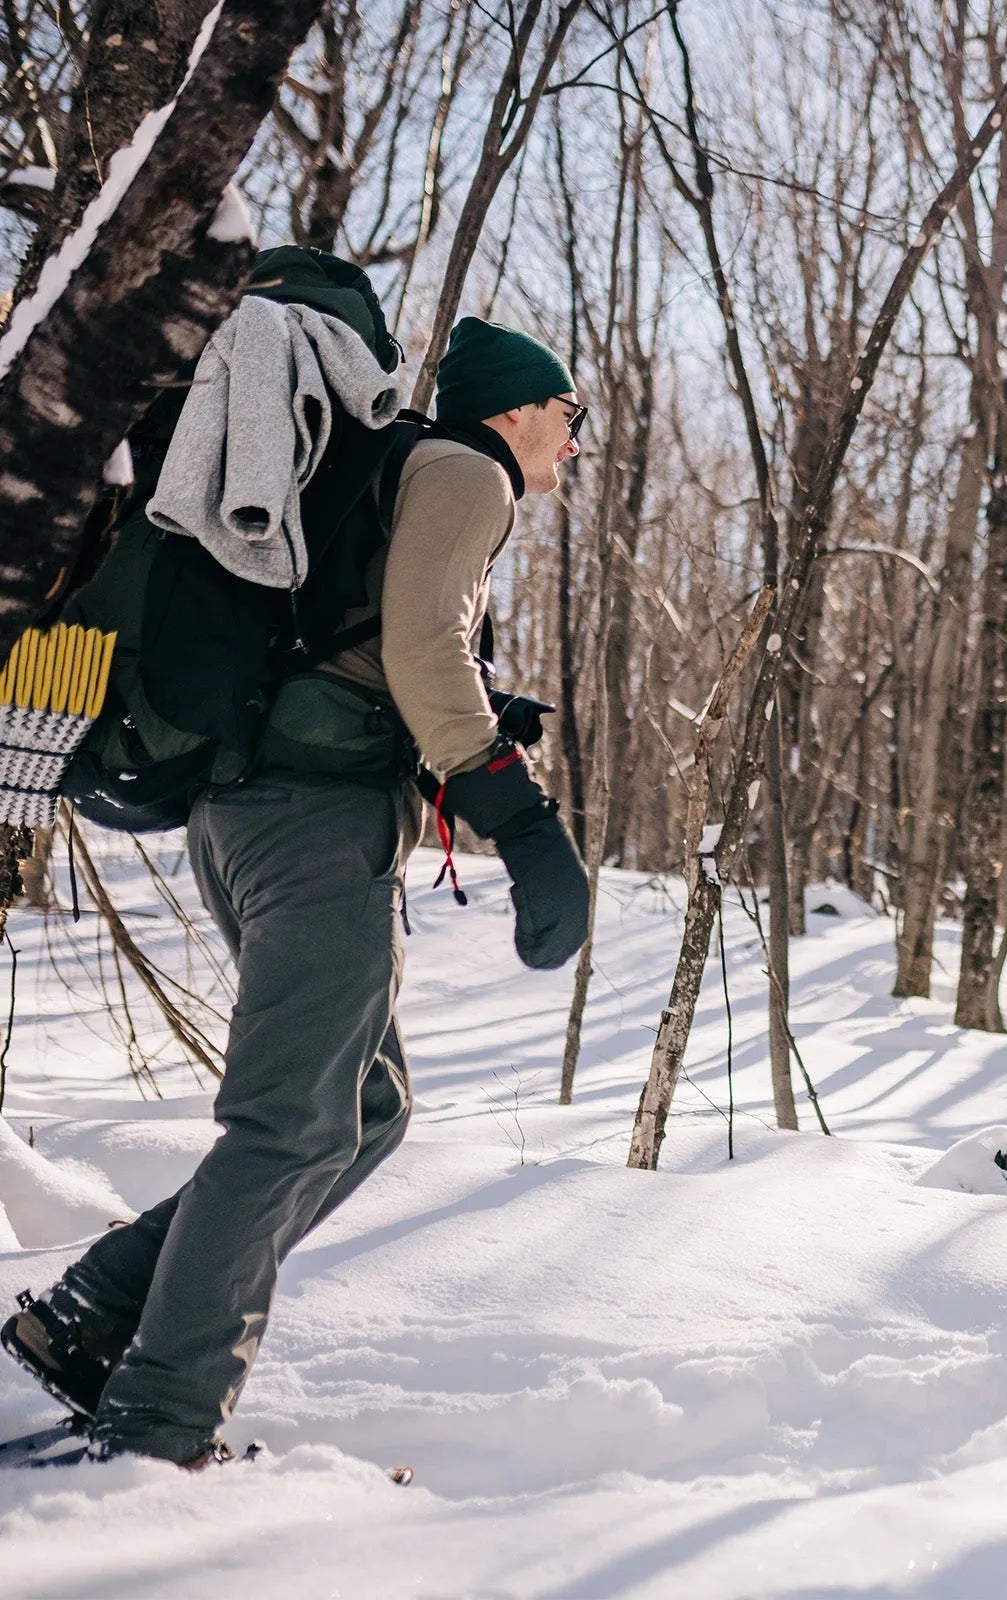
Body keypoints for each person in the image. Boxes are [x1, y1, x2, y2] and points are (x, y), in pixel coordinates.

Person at [4, 316, 591, 1467]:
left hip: (248, 817)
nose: (575, 445)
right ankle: (159, 1423)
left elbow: (363, 642)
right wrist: (518, 819)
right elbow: (425, 651)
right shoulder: (468, 471)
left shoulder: (394, 472)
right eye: (571, 420)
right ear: (517, 408)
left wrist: (471, 714)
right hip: (311, 824)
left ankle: (90, 1315)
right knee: (286, 1126)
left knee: (363, 1115)